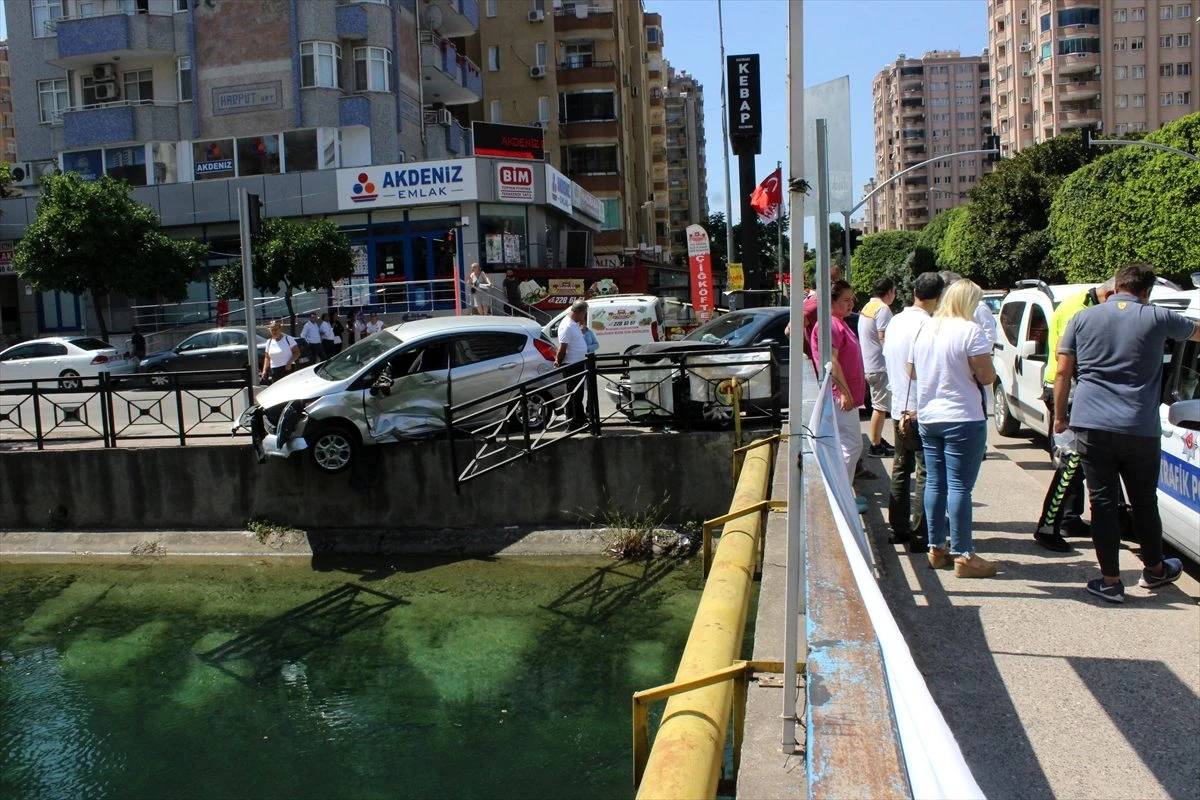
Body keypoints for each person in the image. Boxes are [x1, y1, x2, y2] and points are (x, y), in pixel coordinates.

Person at [1054, 262, 1200, 603]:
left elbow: (1063, 371)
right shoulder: (1157, 317)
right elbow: (1196, 332)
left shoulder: (1082, 318)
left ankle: (1110, 582)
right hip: (1139, 427)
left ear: (1113, 287)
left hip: (1092, 424)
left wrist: (1061, 417)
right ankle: (1154, 570)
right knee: (1144, 502)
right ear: (1147, 292)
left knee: (1102, 503)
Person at [911, 279, 998, 578]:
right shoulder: (969, 330)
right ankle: (964, 554)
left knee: (935, 482)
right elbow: (986, 376)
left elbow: (911, 370)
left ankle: (936, 548)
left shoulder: (926, 328)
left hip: (929, 416)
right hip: (963, 415)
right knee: (961, 486)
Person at [1034, 278, 1116, 552]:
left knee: (1077, 464)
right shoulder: (1077, 309)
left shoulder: (1088, 303)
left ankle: (1069, 518)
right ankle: (1047, 527)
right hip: (1067, 393)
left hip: (1071, 391)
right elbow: (1065, 359)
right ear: (1110, 293)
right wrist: (1060, 414)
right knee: (1071, 464)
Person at [882, 271, 944, 552]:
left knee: (900, 467)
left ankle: (898, 528)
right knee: (925, 472)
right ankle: (921, 534)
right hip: (922, 410)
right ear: (938, 297)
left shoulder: (895, 321)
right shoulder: (929, 325)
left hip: (898, 408)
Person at [808, 280, 865, 488]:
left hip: (843, 393)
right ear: (831, 302)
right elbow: (832, 361)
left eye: (852, 300)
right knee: (852, 445)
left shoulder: (839, 322)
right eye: (845, 300)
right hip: (838, 395)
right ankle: (840, 489)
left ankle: (841, 489)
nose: (851, 305)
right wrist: (844, 392)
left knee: (847, 445)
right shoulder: (831, 324)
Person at [858, 277, 897, 458]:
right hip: (880, 366)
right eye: (894, 292)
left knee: (878, 405)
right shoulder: (883, 309)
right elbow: (883, 337)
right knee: (880, 407)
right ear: (889, 292)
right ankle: (875, 445)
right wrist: (891, 360)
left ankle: (878, 439)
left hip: (868, 364)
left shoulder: (868, 307)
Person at [553, 299, 589, 426]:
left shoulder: (574, 323)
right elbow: (562, 348)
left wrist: (582, 323)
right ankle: (575, 422)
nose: (584, 316)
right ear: (579, 312)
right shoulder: (567, 326)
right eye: (584, 313)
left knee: (577, 394)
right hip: (571, 364)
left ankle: (579, 419)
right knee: (574, 395)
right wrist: (558, 361)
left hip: (577, 363)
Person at [260, 320, 300, 384]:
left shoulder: (288, 339)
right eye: (272, 330)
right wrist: (264, 370)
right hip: (274, 370)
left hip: (287, 368)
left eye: (276, 329)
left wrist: (290, 362)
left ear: (280, 329)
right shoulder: (269, 342)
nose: (274, 332)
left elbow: (297, 352)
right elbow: (267, 357)